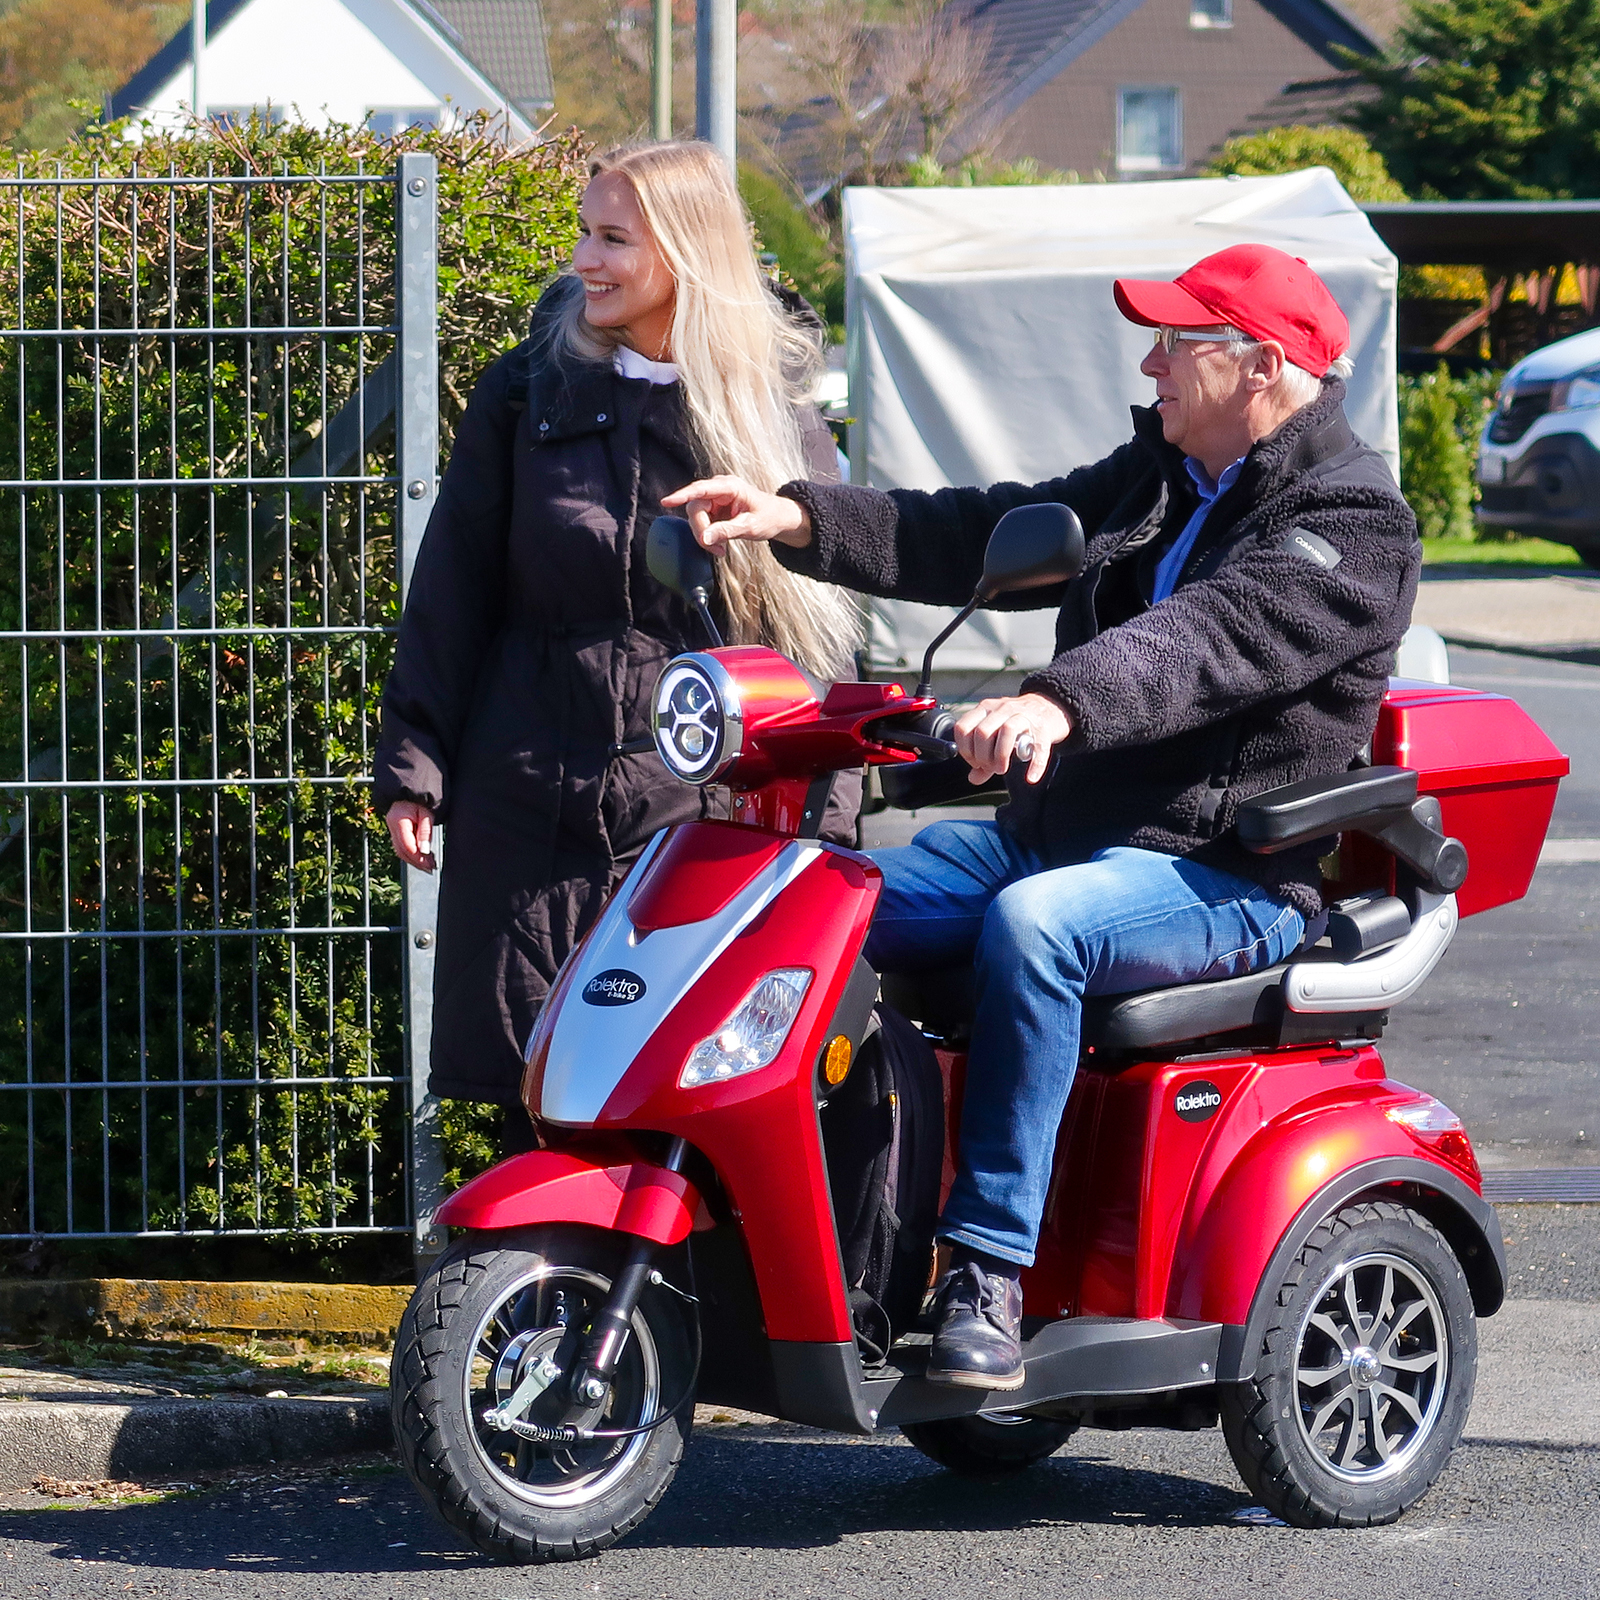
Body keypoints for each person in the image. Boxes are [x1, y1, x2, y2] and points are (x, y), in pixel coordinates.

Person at [664, 243, 1421, 1388]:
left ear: (1261, 365)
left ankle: (986, 1272)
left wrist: (1054, 701)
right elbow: (995, 526)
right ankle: (829, 1222)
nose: (1153, 362)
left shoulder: (1354, 523)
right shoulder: (1161, 472)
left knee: (1038, 927)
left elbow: (1205, 643)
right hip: (1059, 837)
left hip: (1224, 877)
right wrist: (798, 519)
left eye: (1178, 341)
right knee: (805, 903)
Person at [374, 141, 859, 1140]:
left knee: (676, 1108)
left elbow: (818, 647)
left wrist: (832, 811)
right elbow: (451, 588)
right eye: (585, 234)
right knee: (532, 1102)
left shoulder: (774, 424)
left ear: (685, 252)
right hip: (524, 803)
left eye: (612, 240)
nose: (583, 262)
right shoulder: (523, 395)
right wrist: (414, 763)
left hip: (691, 816)